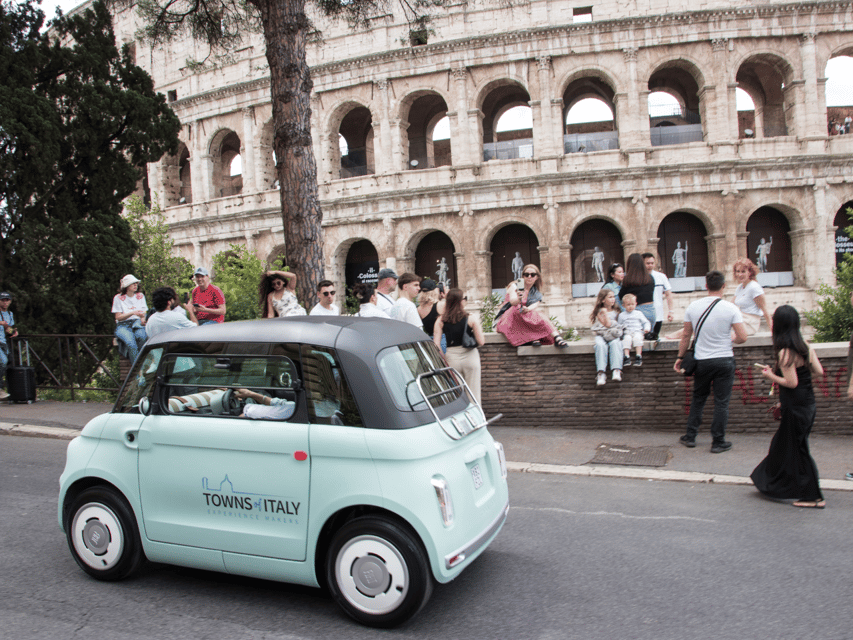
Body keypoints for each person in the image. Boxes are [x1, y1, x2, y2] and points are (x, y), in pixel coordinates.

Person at [751, 305, 826, 508]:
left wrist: (770, 375)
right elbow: (818, 371)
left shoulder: (785, 352)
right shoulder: (805, 346)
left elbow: (791, 383)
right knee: (785, 446)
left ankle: (813, 497)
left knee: (798, 449)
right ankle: (775, 483)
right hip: (807, 403)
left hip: (795, 407)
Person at [673, 270, 748, 453]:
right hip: (724, 360)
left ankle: (690, 436)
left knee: (698, 399)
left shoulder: (693, 307)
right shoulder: (731, 309)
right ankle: (718, 441)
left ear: (706, 286)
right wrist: (730, 339)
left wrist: (680, 357)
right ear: (724, 286)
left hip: (702, 361)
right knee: (721, 402)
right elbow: (743, 337)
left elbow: (686, 335)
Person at [495, 264, 569, 348]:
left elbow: (535, 304)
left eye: (532, 275)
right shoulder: (515, 286)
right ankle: (533, 338)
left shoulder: (535, 291)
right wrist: (520, 298)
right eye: (526, 275)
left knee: (537, 313)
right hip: (507, 318)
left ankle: (557, 337)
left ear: (537, 277)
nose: (529, 277)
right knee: (518, 308)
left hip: (523, 316)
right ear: (523, 276)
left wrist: (528, 309)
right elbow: (512, 302)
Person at [434, 288, 485, 403]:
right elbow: (481, 341)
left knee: (458, 394)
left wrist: (444, 357)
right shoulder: (470, 318)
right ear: (460, 301)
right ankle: (476, 419)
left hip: (452, 357)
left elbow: (436, 345)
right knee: (474, 393)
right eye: (465, 299)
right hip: (470, 356)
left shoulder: (440, 320)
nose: (466, 301)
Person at [111, 275, 148, 364]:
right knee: (131, 344)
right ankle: (137, 371)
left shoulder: (140, 296)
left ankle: (144, 366)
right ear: (127, 286)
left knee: (143, 338)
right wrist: (132, 313)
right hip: (123, 325)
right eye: (133, 283)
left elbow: (144, 312)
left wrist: (143, 318)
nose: (135, 285)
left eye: (136, 283)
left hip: (137, 323)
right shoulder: (118, 298)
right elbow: (118, 317)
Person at [590, 288, 623, 385]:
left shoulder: (617, 311)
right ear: (603, 300)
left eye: (613, 297)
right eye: (610, 297)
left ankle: (616, 370)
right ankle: (601, 372)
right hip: (602, 334)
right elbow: (607, 324)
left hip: (613, 334)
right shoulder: (599, 312)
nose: (613, 299)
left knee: (616, 344)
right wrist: (604, 313)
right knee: (600, 345)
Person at [732, 258, 772, 335]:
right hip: (741, 320)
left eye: (743, 272)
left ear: (750, 272)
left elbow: (765, 310)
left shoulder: (754, 287)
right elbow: (731, 305)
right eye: (738, 271)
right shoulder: (739, 288)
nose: (740, 274)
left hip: (750, 323)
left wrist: (772, 330)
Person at [618, 253, 656, 329]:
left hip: (635, 311)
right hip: (650, 310)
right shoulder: (650, 278)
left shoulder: (628, 279)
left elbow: (621, 296)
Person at [643, 253, 673, 340]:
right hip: (644, 313)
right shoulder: (639, 277)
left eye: (652, 263)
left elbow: (668, 293)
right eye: (647, 263)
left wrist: (671, 311)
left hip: (658, 312)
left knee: (655, 336)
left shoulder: (661, 276)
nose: (650, 265)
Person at [619, 293, 650, 367]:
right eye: (628, 304)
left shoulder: (638, 313)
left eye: (632, 304)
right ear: (624, 305)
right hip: (628, 332)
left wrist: (646, 328)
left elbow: (646, 322)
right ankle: (627, 356)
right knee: (626, 339)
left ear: (636, 304)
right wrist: (620, 331)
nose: (630, 306)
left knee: (637, 339)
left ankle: (638, 356)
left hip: (637, 331)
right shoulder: (622, 315)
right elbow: (619, 325)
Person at [0, 291, 17, 400]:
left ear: (10, 301)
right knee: (3, 361)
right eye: (3, 300)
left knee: (6, 363)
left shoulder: (10, 314)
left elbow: (8, 329)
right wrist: (1, 323)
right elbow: (3, 324)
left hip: (3, 342)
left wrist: (13, 332)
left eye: (7, 300)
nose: (5, 302)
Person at [418, 279, 444, 345]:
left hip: (430, 341)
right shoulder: (440, 305)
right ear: (435, 290)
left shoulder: (419, 309)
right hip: (442, 338)